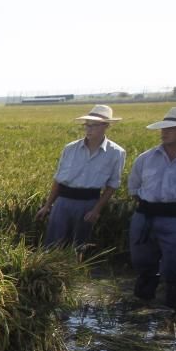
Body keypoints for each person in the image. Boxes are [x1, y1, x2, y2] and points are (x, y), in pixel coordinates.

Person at [127, 107, 176, 310]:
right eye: (163, 128)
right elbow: (134, 188)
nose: (164, 132)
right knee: (142, 259)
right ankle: (143, 302)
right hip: (144, 216)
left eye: (171, 128)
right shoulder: (146, 158)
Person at [35, 105, 126, 254]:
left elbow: (112, 185)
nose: (89, 130)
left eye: (94, 126)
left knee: (78, 246)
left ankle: (74, 274)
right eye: (87, 125)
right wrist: (47, 205)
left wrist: (96, 210)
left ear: (106, 126)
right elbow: (59, 179)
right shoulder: (70, 148)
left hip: (88, 203)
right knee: (52, 245)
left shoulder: (116, 153)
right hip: (63, 202)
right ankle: (49, 274)